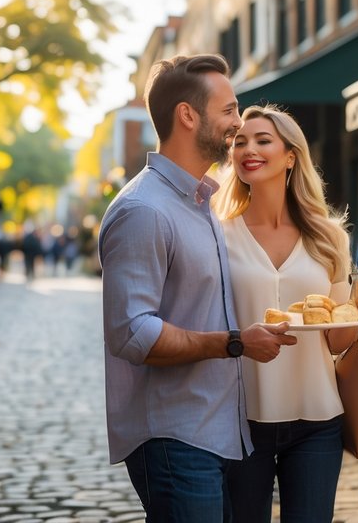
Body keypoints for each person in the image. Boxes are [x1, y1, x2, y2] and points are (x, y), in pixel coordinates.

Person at [100, 54, 296, 521]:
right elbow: (133, 334)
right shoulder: (143, 210)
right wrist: (233, 343)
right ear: (188, 116)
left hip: (219, 433)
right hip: (174, 440)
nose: (238, 122)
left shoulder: (204, 202)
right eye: (228, 110)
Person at [215, 105, 358, 523]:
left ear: (291, 156)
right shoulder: (218, 234)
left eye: (262, 140)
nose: (248, 149)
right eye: (240, 142)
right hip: (240, 420)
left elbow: (336, 341)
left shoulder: (329, 237)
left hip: (317, 417)